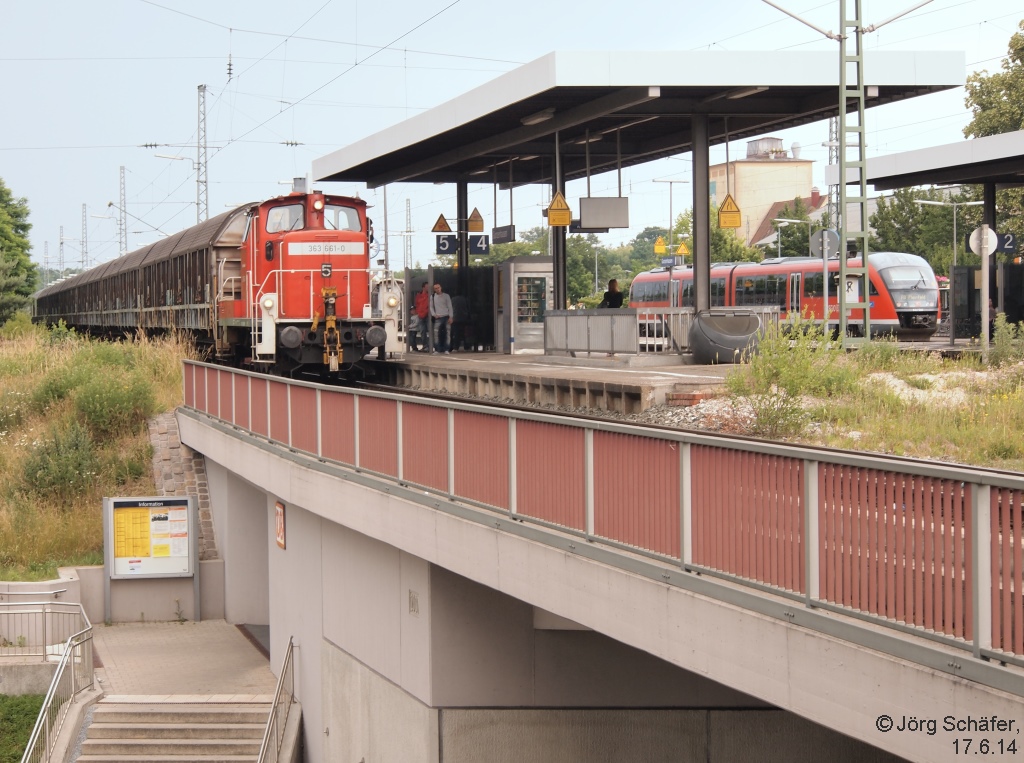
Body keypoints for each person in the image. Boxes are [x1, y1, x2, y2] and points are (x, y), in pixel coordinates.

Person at [430, 282, 454, 354]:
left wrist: (451, 317)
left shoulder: (446, 296)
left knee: (447, 333)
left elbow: (450, 306)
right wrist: (434, 314)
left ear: (441, 288)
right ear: (434, 289)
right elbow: (431, 307)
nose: (437, 289)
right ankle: (437, 349)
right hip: (438, 317)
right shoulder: (433, 296)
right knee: (436, 334)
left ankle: (446, 349)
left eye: (438, 288)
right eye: (436, 288)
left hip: (446, 316)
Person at [413, 282, 430, 352]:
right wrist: (418, 312)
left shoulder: (430, 295)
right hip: (421, 315)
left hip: (428, 314)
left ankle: (430, 345)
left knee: (430, 330)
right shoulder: (418, 296)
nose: (428, 288)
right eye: (427, 287)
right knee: (422, 331)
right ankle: (425, 346)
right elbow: (416, 304)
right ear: (423, 287)